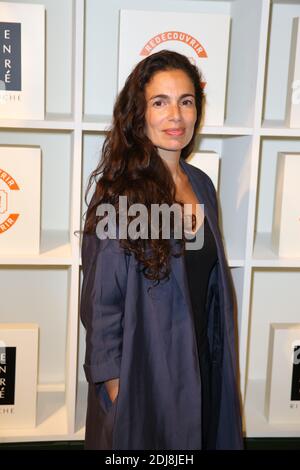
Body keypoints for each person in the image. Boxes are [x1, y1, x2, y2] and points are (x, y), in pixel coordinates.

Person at [80, 49, 243, 450]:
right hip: (146, 381)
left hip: (202, 368)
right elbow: (102, 308)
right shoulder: (121, 198)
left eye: (186, 101)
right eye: (160, 102)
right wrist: (119, 394)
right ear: (139, 114)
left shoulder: (201, 185)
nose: (176, 115)